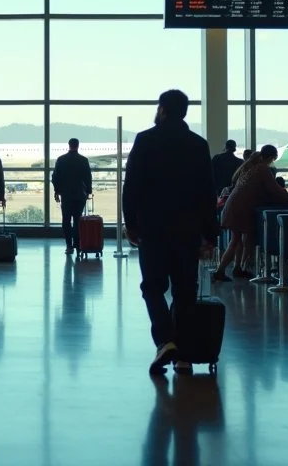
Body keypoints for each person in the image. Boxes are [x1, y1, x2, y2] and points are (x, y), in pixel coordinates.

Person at [122, 90, 218, 375]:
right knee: (185, 291)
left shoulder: (145, 140)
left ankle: (165, 341)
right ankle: (184, 356)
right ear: (185, 112)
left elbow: (132, 186)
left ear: (162, 109)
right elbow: (207, 193)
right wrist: (210, 235)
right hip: (188, 230)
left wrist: (131, 223)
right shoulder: (198, 145)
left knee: (152, 287)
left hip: (153, 228)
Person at [216, 145, 288, 282]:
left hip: (235, 205)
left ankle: (236, 268)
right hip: (241, 207)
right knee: (238, 240)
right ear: (270, 157)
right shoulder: (263, 169)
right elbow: (274, 189)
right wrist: (287, 198)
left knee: (238, 239)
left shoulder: (250, 167)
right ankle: (221, 270)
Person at [51, 138, 93, 254]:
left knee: (66, 220)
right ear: (78, 146)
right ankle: (78, 245)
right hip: (80, 194)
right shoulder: (84, 160)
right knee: (78, 220)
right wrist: (88, 192)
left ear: (69, 145)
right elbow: (88, 177)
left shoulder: (61, 159)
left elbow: (55, 177)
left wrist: (57, 191)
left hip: (66, 194)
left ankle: (69, 246)